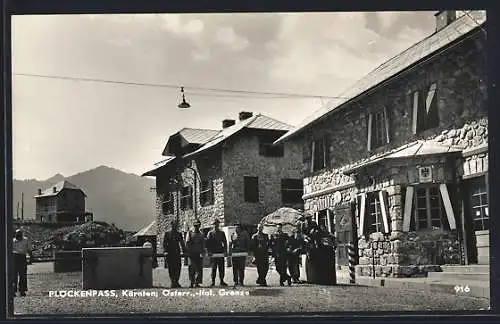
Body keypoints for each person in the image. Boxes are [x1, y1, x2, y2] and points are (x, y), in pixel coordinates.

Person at [163, 221, 186, 288]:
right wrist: (165, 251)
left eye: (176, 225)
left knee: (178, 268)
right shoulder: (167, 234)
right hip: (170, 253)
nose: (174, 226)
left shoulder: (179, 234)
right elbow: (164, 243)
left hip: (177, 253)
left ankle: (176, 281)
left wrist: (184, 251)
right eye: (173, 225)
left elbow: (182, 243)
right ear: (171, 225)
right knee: (171, 268)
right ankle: (173, 282)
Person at [206, 219, 228, 287]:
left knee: (221, 268)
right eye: (215, 224)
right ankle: (213, 281)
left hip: (220, 252)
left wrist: (225, 251)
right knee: (213, 268)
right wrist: (209, 251)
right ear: (213, 225)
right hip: (213, 253)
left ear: (219, 225)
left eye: (217, 224)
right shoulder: (210, 233)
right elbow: (208, 244)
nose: (216, 225)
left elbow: (225, 242)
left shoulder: (222, 233)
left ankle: (222, 281)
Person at [185, 220, 205, 288]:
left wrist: (203, 251)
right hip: (191, 253)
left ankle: (197, 282)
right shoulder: (190, 233)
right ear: (193, 226)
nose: (196, 227)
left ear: (199, 226)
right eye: (195, 225)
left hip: (198, 253)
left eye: (198, 225)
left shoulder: (201, 234)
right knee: (191, 267)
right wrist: (188, 252)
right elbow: (187, 243)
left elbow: (203, 244)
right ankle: (191, 282)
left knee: (199, 268)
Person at [12, 229, 32, 297]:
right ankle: (13, 291)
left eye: (19, 234)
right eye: (17, 234)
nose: (18, 236)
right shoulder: (12, 241)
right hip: (14, 257)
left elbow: (29, 249)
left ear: (21, 234)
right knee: (13, 275)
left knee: (22, 275)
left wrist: (31, 258)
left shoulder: (26, 240)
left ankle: (22, 290)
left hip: (22, 257)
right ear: (15, 235)